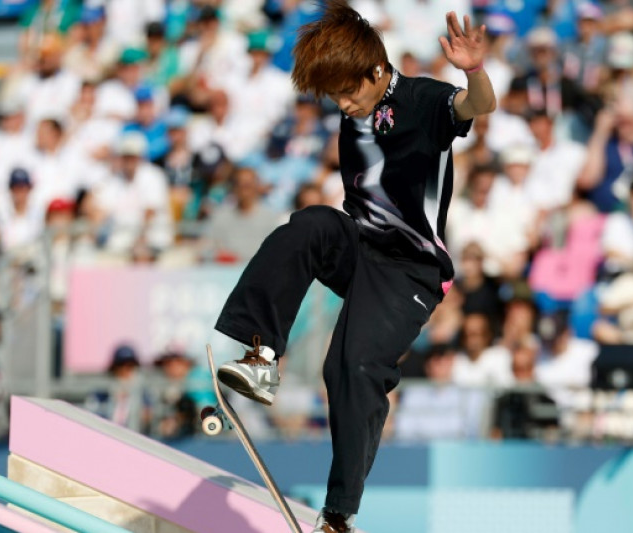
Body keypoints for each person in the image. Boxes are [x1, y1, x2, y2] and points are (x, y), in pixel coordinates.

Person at [211, 4, 496, 531]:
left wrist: (474, 70)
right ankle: (262, 356)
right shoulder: (350, 105)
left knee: (350, 367)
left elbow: (477, 104)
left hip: (410, 271)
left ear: (377, 71)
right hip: (359, 247)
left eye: (349, 93)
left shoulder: (422, 100)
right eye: (333, 97)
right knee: (309, 224)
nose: (343, 105)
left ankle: (340, 515)